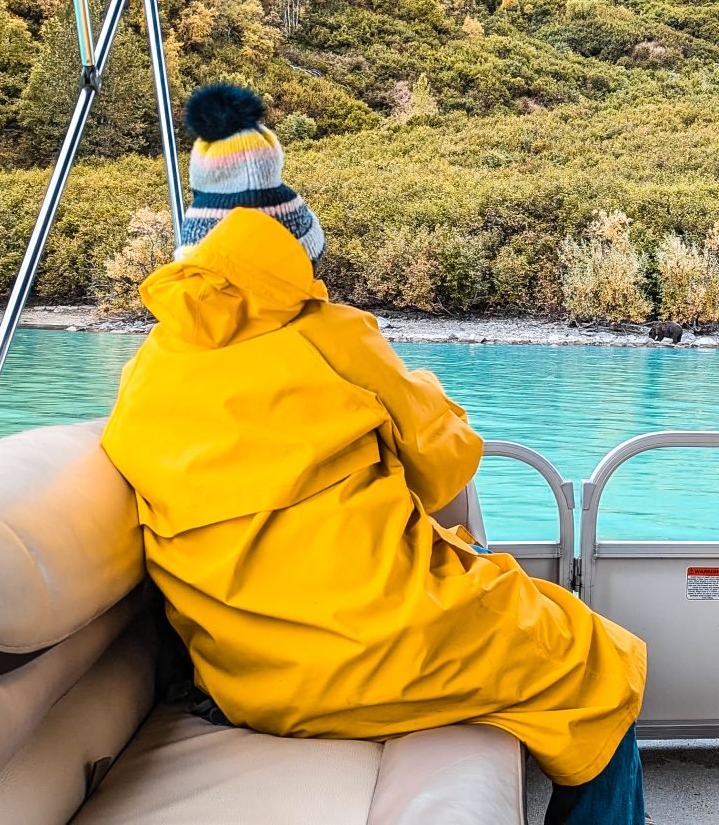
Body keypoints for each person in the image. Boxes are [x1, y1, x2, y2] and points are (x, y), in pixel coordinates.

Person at [102, 83, 648, 824]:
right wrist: (419, 390)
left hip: (244, 676)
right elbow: (447, 464)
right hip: (371, 649)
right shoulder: (334, 335)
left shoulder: (149, 366)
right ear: (291, 249)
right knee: (599, 663)